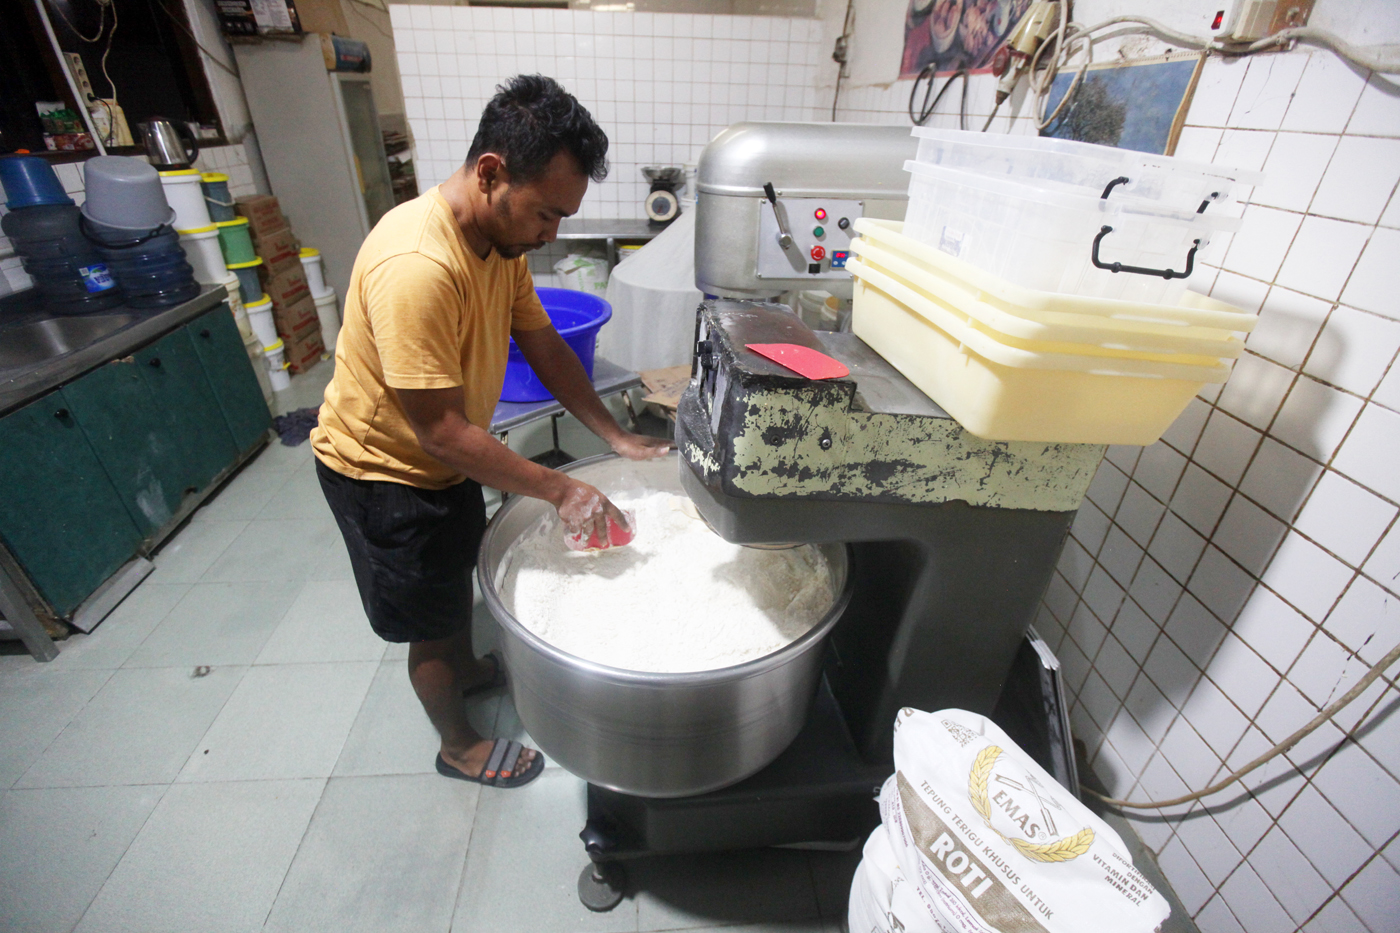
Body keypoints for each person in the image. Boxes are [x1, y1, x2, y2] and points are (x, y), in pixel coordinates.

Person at [311, 75, 671, 790]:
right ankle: (458, 744)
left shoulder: (499, 247)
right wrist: (560, 488)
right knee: (430, 619)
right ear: (490, 172)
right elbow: (441, 431)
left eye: (563, 216)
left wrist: (616, 436)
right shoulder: (417, 264)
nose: (551, 234)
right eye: (545, 213)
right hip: (383, 473)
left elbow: (542, 343)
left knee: (452, 582)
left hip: (441, 460)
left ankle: (469, 664)